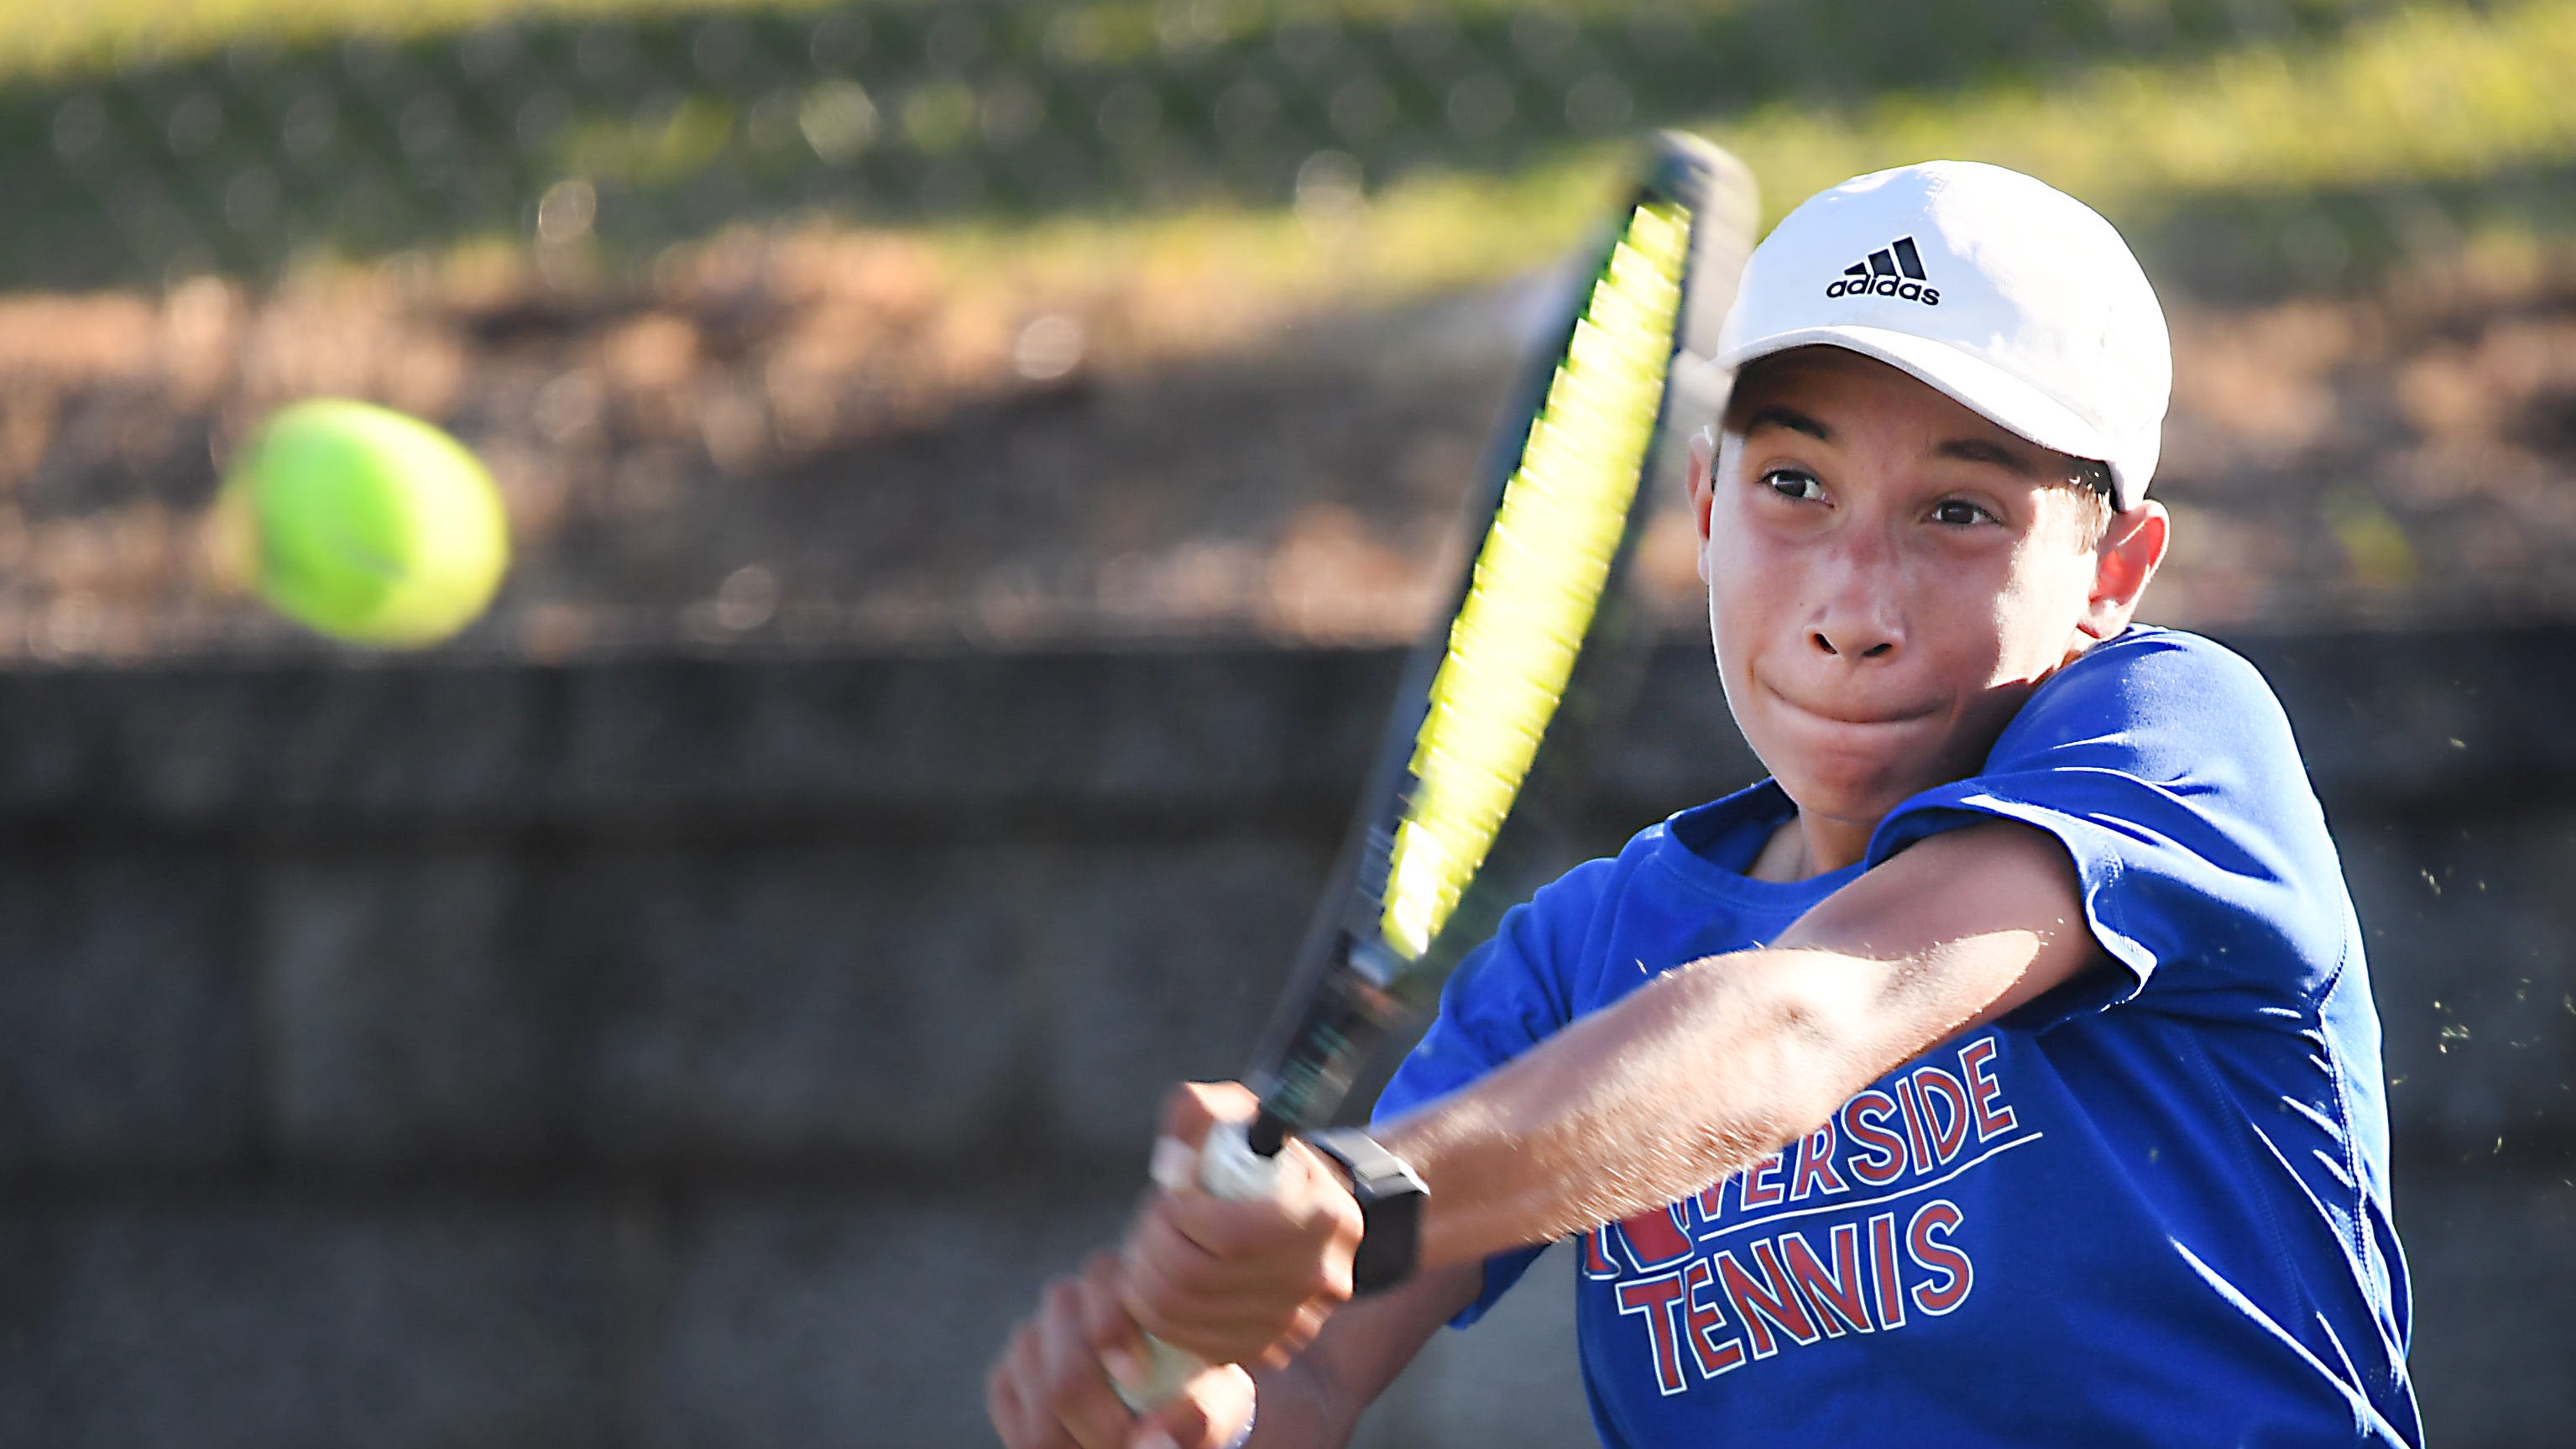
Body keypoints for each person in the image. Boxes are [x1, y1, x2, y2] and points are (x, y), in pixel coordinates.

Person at [986, 160, 2422, 1449]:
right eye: (1792, 484)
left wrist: (1362, 1203)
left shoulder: (2176, 742)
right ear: (1702, 503)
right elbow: (1301, 1379)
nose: (1851, 607)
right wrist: (1181, 1401)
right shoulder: (1583, 952)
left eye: (1956, 511)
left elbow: (1805, 1021)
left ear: (2113, 571)